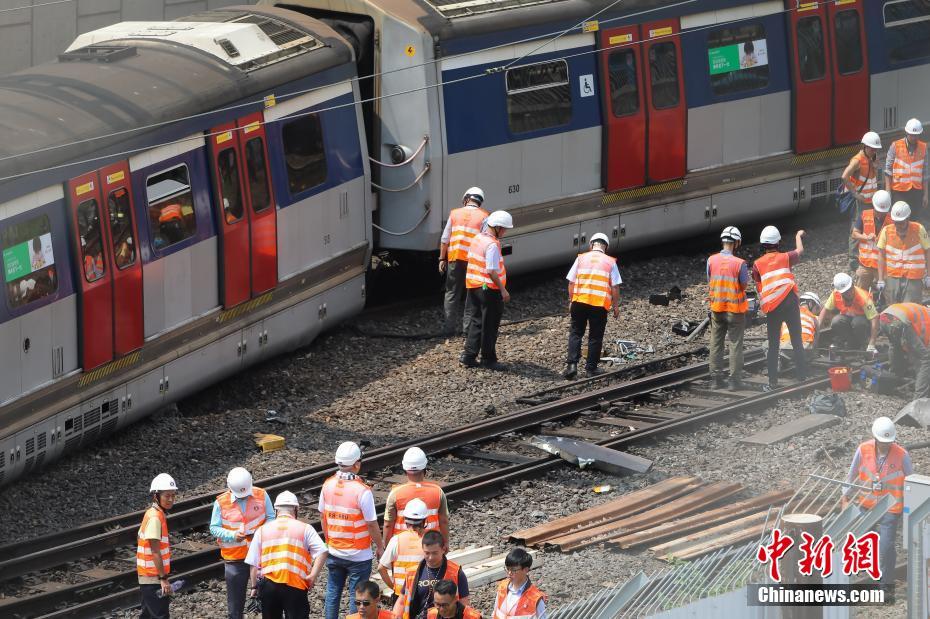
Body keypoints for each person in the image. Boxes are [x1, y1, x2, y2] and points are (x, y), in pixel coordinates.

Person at [842, 417, 913, 590]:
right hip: (866, 506)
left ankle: (885, 587)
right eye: (882, 442)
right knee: (865, 544)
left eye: (888, 442)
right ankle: (872, 577)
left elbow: (912, 481)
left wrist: (910, 509)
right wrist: (844, 499)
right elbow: (850, 476)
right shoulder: (863, 450)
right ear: (875, 438)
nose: (885, 445)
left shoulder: (902, 455)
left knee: (886, 546)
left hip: (891, 508)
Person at [320, 442, 385, 619]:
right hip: (359, 554)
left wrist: (329, 541)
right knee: (358, 598)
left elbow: (322, 516)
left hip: (334, 550)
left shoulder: (327, 485)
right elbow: (372, 524)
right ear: (357, 464)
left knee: (333, 593)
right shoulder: (362, 491)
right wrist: (380, 547)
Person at [246, 491, 328, 619]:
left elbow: (253, 563)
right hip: (295, 584)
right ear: (296, 509)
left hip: (269, 585)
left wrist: (254, 587)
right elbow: (322, 551)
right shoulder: (305, 528)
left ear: (276, 510)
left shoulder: (262, 530)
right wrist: (312, 576)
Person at [210, 467, 275, 619]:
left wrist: (260, 533)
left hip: (260, 557)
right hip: (234, 560)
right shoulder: (221, 502)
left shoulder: (261, 494)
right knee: (235, 606)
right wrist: (232, 535)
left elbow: (271, 517)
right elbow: (214, 528)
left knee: (268, 600)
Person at [752, 226, 808, 390]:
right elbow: (800, 250)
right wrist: (798, 235)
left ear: (763, 244)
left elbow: (759, 287)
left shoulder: (757, 265)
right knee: (797, 340)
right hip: (790, 302)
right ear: (778, 242)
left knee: (773, 344)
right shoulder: (786, 257)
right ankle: (802, 377)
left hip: (773, 307)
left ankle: (772, 382)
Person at [561, 232, 622, 380]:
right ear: (605, 247)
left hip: (579, 301)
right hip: (599, 304)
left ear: (591, 244)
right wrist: (615, 306)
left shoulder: (581, 258)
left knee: (576, 332)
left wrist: (571, 301)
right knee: (595, 336)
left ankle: (572, 366)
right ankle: (591, 369)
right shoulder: (610, 261)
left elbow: (571, 282)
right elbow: (615, 287)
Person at [461, 210, 513, 371]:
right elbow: (491, 270)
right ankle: (488, 359)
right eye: (504, 229)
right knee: (490, 324)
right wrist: (503, 290)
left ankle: (469, 356)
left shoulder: (478, 238)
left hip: (474, 285)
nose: (504, 232)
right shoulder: (492, 245)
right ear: (496, 227)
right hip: (488, 288)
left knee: (476, 321)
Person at [440, 188, 489, 336]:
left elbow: (444, 238)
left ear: (466, 198)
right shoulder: (485, 216)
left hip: (455, 258)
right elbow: (486, 241)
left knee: (451, 293)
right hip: (473, 261)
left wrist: (442, 258)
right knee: (471, 294)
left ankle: (448, 330)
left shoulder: (455, 213)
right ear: (480, 201)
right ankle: (468, 330)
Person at [706, 226, 749, 391]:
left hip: (717, 308)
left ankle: (716, 380)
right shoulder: (740, 264)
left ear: (723, 241)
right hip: (735, 310)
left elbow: (710, 280)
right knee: (735, 344)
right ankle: (734, 380)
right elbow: (743, 285)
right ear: (736, 242)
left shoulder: (711, 260)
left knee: (716, 343)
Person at [393, 531, 469, 619]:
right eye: (427, 553)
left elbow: (464, 603)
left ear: (443, 549)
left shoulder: (456, 572)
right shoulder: (412, 572)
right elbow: (402, 602)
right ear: (422, 549)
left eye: (434, 553)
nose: (430, 557)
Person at [383, 447, 449, 546]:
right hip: (430, 546)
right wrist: (445, 543)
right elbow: (444, 521)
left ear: (405, 469)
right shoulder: (438, 492)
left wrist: (387, 548)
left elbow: (388, 525)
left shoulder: (395, 493)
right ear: (425, 468)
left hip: (402, 547)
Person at [137, 473, 178, 619]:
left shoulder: (154, 514)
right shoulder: (155, 517)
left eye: (173, 495)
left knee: (148, 615)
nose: (171, 499)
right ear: (156, 496)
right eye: (167, 495)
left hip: (148, 577)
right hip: (153, 578)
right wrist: (163, 578)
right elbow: (155, 551)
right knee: (160, 615)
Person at [877, 201, 930, 304]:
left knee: (911, 308)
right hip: (893, 276)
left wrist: (928, 275)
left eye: (901, 223)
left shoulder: (919, 229)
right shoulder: (886, 231)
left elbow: (928, 251)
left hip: (913, 276)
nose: (898, 226)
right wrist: (880, 279)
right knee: (893, 307)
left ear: (908, 219)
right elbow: (881, 255)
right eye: (896, 223)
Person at [843, 132, 882, 270]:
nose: (874, 151)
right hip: (861, 202)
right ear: (865, 146)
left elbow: (874, 177)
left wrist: (876, 166)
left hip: (872, 200)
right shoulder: (857, 160)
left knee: (869, 226)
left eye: (876, 148)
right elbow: (844, 176)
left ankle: (867, 255)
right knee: (856, 228)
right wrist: (855, 193)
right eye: (872, 148)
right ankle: (853, 260)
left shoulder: (873, 158)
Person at [379, 499, 428, 600]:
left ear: (405, 520)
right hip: (423, 593)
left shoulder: (396, 540)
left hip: (401, 595)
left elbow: (381, 568)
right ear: (424, 521)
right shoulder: (431, 540)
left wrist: (393, 586)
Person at [818, 273, 879, 353]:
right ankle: (852, 342)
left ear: (853, 285)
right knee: (836, 321)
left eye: (850, 289)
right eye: (845, 292)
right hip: (848, 318)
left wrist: (872, 343)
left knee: (858, 322)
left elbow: (875, 319)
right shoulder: (835, 294)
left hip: (864, 322)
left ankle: (864, 342)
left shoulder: (863, 298)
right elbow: (825, 311)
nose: (849, 293)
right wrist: (816, 333)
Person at [881, 302, 930, 400]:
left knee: (895, 346)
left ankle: (893, 380)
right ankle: (919, 398)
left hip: (884, 317)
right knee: (925, 358)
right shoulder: (927, 316)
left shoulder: (921, 309)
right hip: (900, 322)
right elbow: (924, 342)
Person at [885, 118, 928, 219]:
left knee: (914, 220)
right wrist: (888, 191)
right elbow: (888, 170)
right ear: (906, 133)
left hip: (916, 191)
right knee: (899, 218)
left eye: (916, 135)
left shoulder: (924, 147)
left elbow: (925, 174)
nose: (914, 137)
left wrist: (926, 195)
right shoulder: (895, 146)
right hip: (899, 191)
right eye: (912, 135)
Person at [852, 189, 893, 291]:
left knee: (889, 292)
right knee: (860, 292)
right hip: (865, 264)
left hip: (883, 265)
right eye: (879, 211)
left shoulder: (891, 221)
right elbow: (854, 234)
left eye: (883, 212)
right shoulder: (864, 215)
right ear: (874, 206)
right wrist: (865, 237)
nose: (881, 214)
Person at [494, 548, 547, 619]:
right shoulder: (502, 587)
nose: (509, 573)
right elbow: (495, 613)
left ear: (526, 570)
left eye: (513, 570)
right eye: (507, 569)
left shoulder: (535, 598)